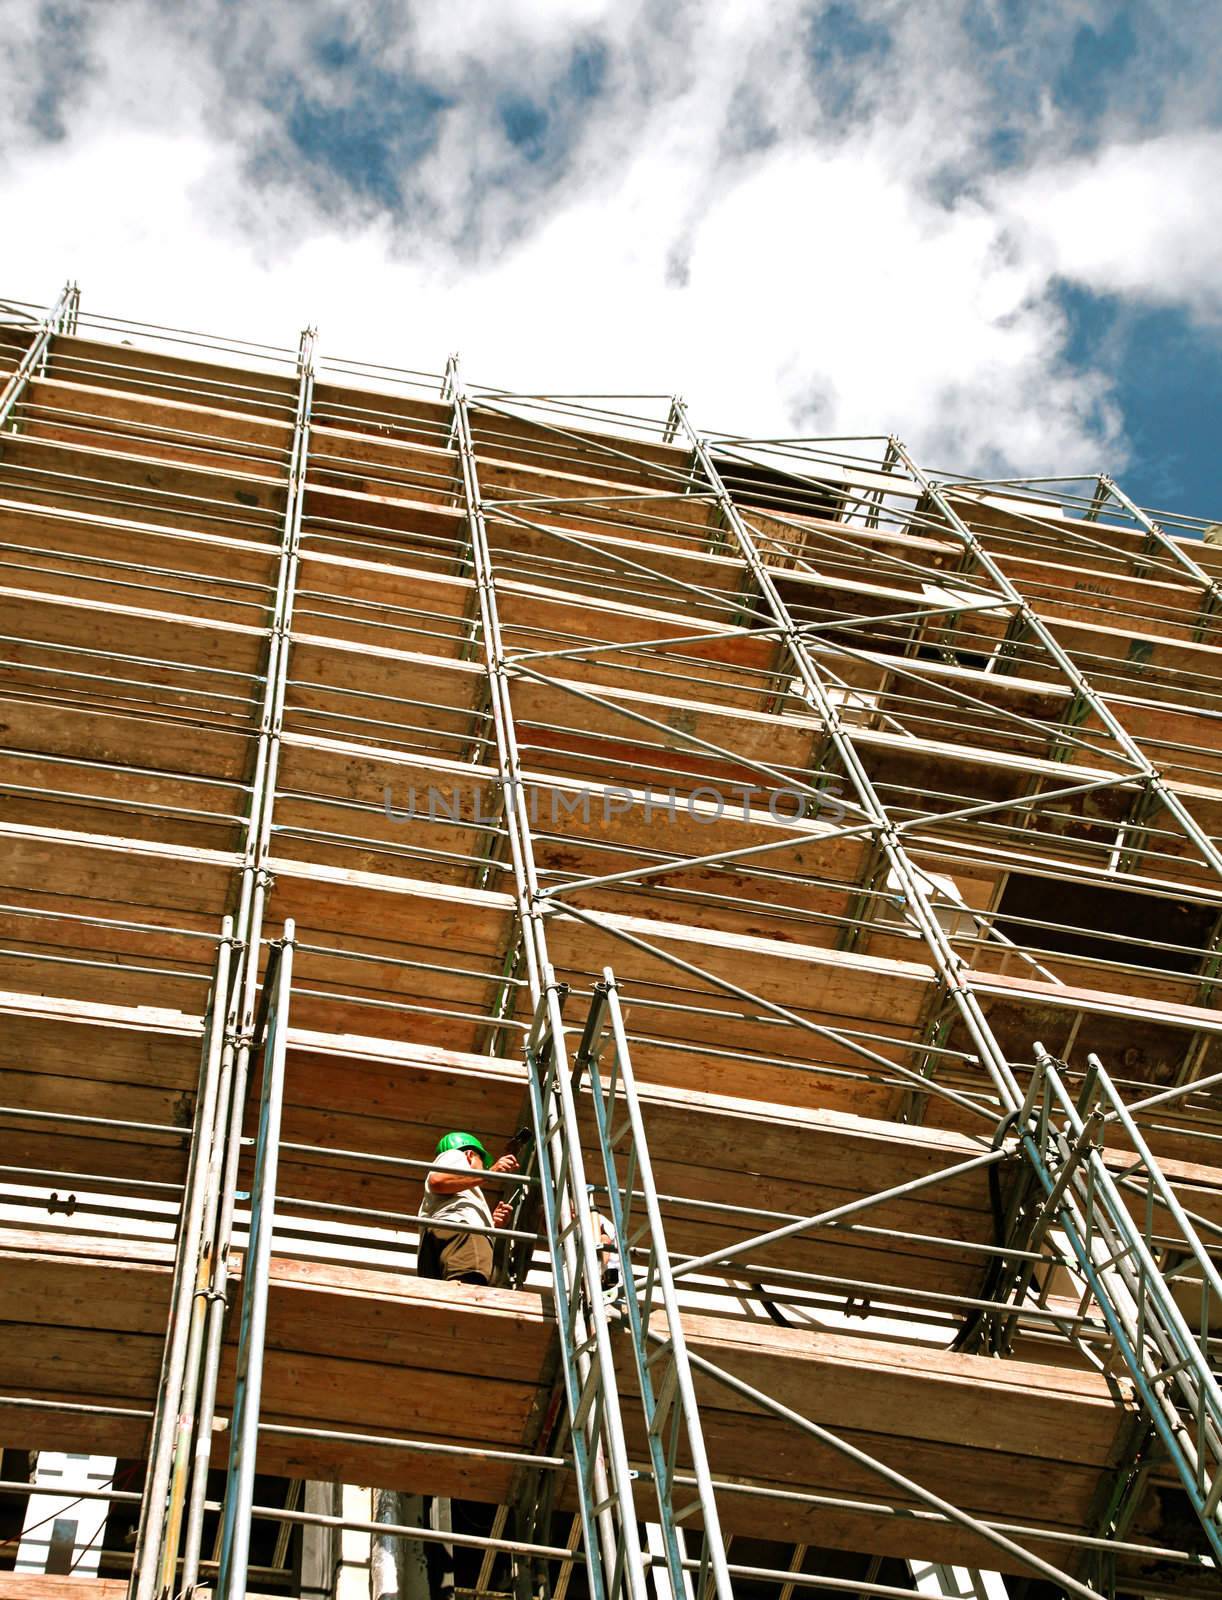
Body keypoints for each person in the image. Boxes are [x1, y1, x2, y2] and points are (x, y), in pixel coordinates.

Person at [417, 1130, 520, 1285]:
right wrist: (491, 1173)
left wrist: (492, 1223)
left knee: (444, 1299)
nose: (484, 1168)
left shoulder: (459, 1192)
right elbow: (437, 1181)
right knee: (468, 1290)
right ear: (470, 1155)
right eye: (482, 1163)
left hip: (436, 1245)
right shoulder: (455, 1155)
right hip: (462, 1233)